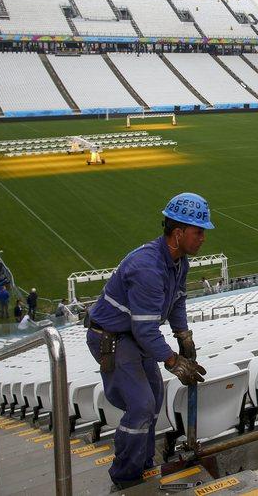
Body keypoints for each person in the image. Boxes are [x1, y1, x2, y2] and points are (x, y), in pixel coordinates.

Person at [85, 192, 212, 489]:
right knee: (141, 405)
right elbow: (144, 331)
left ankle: (143, 463)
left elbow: (177, 300)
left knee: (154, 399)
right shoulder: (148, 268)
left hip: (133, 335)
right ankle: (126, 477)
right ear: (178, 233)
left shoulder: (179, 262)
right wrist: (173, 361)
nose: (203, 238)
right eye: (198, 231)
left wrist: (183, 335)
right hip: (113, 337)